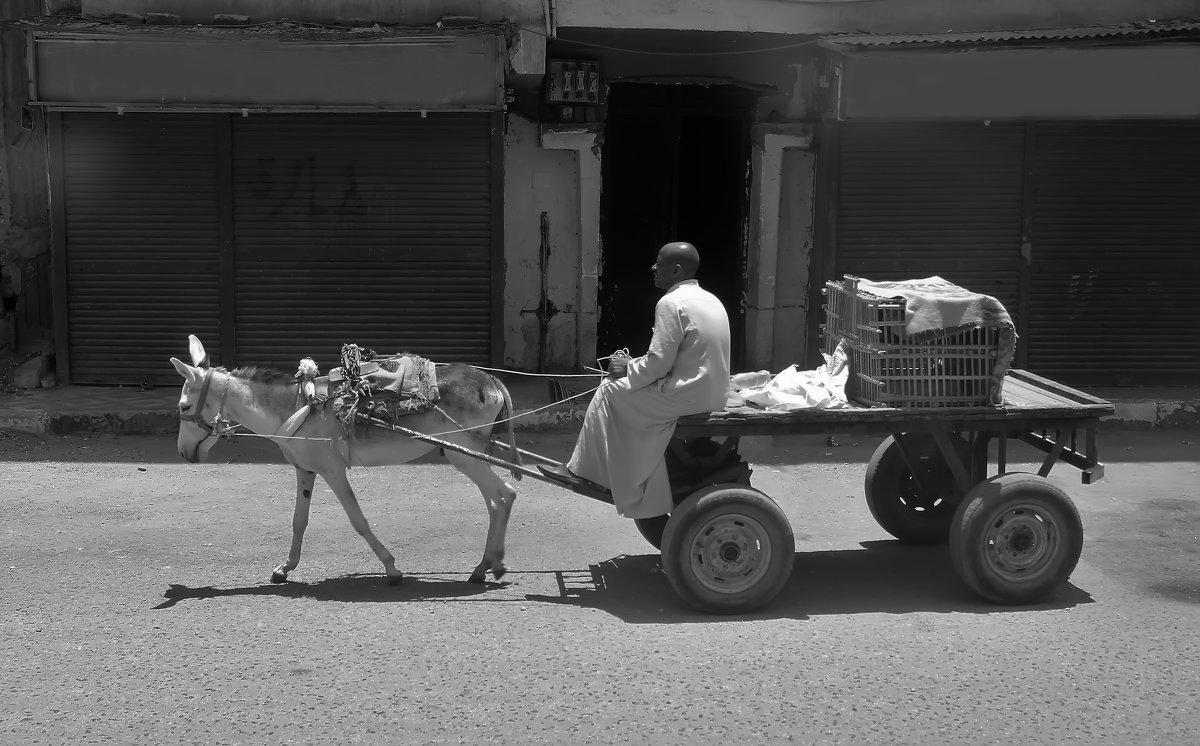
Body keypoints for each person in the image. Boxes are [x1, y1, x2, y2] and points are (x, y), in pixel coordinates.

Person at [539, 241, 731, 519]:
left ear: (676, 270)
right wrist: (633, 366)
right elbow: (673, 358)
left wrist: (628, 366)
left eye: (660, 263)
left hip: (687, 395)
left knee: (608, 390)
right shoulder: (710, 299)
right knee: (618, 390)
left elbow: (658, 363)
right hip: (712, 393)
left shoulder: (671, 302)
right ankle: (612, 471)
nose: (653, 268)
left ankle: (582, 471)